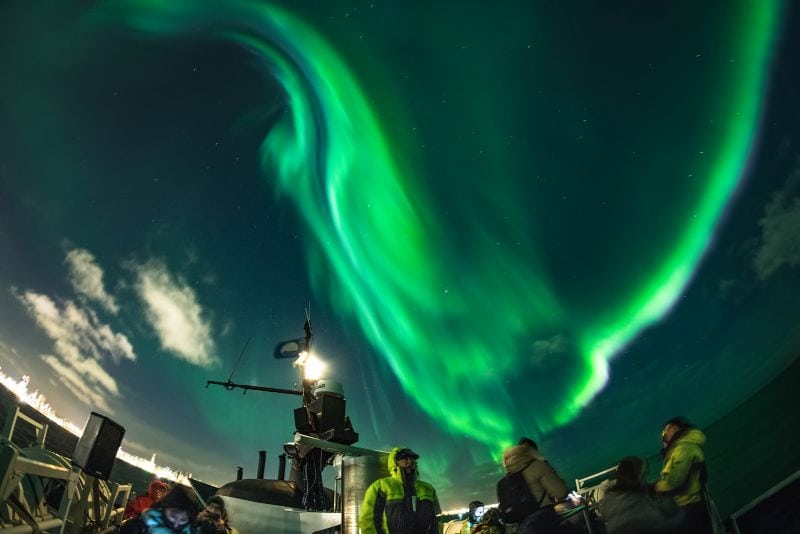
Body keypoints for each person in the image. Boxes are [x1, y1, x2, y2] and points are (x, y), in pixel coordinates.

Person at [358, 447, 441, 534]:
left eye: (412, 458)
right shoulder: (382, 486)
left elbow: (436, 518)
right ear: (394, 462)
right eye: (404, 458)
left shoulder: (428, 488)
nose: (410, 461)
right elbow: (368, 520)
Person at [653, 416, 713, 534]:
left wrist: (654, 487)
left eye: (666, 429)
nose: (663, 433)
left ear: (675, 428)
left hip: (691, 507)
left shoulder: (683, 448)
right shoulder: (680, 448)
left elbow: (674, 482)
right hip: (691, 505)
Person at [598, 456, 684, 534]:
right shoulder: (637, 506)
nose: (645, 480)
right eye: (643, 475)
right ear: (634, 477)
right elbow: (666, 524)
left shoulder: (610, 499)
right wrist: (680, 511)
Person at [502, 438, 569, 534]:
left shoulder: (509, 474)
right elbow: (560, 492)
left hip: (522, 525)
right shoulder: (538, 465)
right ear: (533, 450)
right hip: (543, 520)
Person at [119, 484, 199, 534]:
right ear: (165, 507)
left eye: (183, 520)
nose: (176, 525)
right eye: (173, 516)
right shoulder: (137, 527)